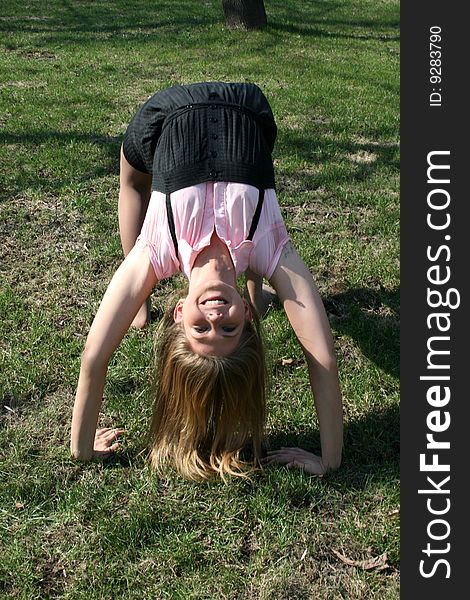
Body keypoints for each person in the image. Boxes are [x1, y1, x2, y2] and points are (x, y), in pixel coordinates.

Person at [70, 82, 343, 480]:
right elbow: (324, 360)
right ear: (244, 315)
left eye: (201, 328)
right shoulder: (269, 246)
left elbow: (94, 357)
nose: (214, 316)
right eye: (228, 327)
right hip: (247, 110)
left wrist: (82, 448)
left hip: (167, 115)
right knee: (254, 262)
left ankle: (139, 304)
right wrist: (330, 459)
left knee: (132, 183)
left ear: (179, 312)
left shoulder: (156, 251)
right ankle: (256, 292)